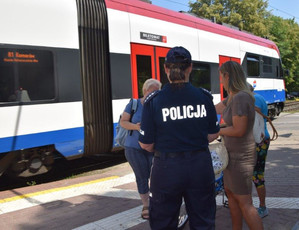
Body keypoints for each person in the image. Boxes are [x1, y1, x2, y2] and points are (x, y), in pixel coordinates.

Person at [139, 46, 220, 230]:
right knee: (203, 221)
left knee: (163, 222)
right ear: (190, 68)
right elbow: (214, 133)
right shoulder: (204, 97)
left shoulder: (154, 101)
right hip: (200, 165)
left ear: (166, 68)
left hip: (166, 168)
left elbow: (145, 144)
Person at [215, 61, 264, 230]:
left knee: (245, 202)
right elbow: (213, 109)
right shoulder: (232, 97)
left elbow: (239, 130)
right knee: (231, 195)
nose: (221, 81)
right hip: (231, 156)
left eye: (221, 76)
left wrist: (217, 132)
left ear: (228, 76)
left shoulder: (241, 98)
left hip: (241, 158)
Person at [120, 78, 162, 220]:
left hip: (152, 147)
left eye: (158, 92)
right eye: (153, 91)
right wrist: (137, 127)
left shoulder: (158, 106)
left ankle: (155, 202)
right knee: (142, 176)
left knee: (155, 176)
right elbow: (123, 122)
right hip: (134, 148)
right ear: (145, 91)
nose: (156, 94)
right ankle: (146, 205)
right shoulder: (134, 104)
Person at [249, 84, 270, 218]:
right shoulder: (260, 97)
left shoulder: (253, 100)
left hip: (258, 140)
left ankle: (262, 207)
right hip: (263, 138)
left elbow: (252, 122)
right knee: (257, 174)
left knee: (256, 175)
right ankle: (261, 206)